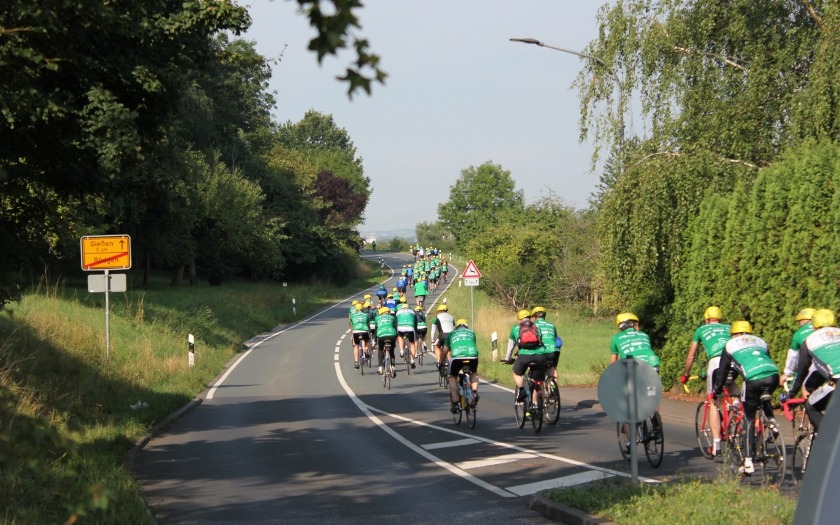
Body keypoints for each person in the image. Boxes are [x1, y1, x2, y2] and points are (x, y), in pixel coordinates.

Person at [714, 320, 780, 475]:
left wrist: (717, 390)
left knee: (749, 418)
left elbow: (723, 371)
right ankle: (772, 422)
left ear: (734, 334)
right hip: (773, 375)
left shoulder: (730, 345)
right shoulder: (760, 341)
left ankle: (748, 461)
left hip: (752, 378)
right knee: (763, 397)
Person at [680, 306, 732, 456]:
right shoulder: (729, 328)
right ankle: (737, 411)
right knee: (733, 391)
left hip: (716, 362)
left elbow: (691, 356)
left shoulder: (701, 330)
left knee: (713, 401)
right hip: (735, 359)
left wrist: (686, 374)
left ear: (706, 319)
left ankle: (716, 446)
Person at [610, 312, 661, 454]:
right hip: (652, 366)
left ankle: (631, 442)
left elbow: (613, 363)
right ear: (632, 324)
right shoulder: (645, 335)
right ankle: (655, 422)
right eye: (637, 324)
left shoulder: (616, 338)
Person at [788, 308, 840, 434]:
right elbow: (821, 371)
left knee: (811, 406)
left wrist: (791, 393)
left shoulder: (810, 340)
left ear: (813, 325)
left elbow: (801, 372)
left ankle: (827, 440)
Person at [503, 309, 547, 407]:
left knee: (516, 373)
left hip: (524, 356)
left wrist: (507, 358)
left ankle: (522, 390)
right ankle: (535, 404)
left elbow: (511, 346)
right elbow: (540, 341)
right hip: (539, 356)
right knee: (537, 381)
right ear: (530, 318)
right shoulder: (536, 326)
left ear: (519, 320)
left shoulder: (515, 328)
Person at [443, 318, 480, 413]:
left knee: (452, 377)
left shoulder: (452, 334)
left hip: (457, 357)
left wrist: (440, 361)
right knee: (474, 372)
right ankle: (474, 392)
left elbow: (445, 350)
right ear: (466, 326)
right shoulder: (471, 332)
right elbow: (473, 344)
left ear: (456, 327)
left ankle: (455, 404)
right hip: (472, 356)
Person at [781, 307, 816, 386]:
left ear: (804, 320)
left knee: (806, 387)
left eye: (799, 321)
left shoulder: (798, 334)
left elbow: (793, 355)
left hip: (817, 365)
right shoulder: (826, 328)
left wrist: (787, 374)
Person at [531, 306, 560, 383]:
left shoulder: (532, 326)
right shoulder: (552, 326)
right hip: (554, 352)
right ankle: (553, 386)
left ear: (534, 317)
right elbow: (555, 338)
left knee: (535, 370)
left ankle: (539, 388)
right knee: (553, 368)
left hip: (540, 353)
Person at [374, 306, 398, 376]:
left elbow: (376, 330)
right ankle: (393, 367)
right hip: (391, 335)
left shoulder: (377, 318)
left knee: (380, 350)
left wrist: (375, 340)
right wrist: (396, 338)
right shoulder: (392, 318)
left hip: (381, 336)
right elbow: (395, 328)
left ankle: (380, 368)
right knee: (392, 351)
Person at [430, 303, 455, 368]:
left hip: (442, 335)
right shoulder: (451, 317)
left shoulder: (437, 317)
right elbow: (453, 326)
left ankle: (439, 361)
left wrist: (432, 340)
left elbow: (433, 330)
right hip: (452, 335)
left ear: (439, 311)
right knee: (448, 349)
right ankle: (450, 364)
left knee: (437, 347)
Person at [395, 299, 418, 368]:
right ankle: (412, 360)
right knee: (412, 344)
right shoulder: (412, 312)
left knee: (400, 337)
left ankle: (401, 351)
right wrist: (415, 331)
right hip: (410, 328)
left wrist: (396, 333)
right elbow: (415, 323)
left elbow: (396, 323)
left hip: (401, 328)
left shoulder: (398, 312)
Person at [349, 304, 371, 369]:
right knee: (366, 341)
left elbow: (351, 326)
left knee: (356, 345)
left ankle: (356, 362)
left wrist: (352, 334)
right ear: (362, 309)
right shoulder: (366, 315)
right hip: (364, 330)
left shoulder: (353, 316)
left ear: (356, 309)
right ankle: (366, 350)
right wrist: (368, 332)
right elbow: (368, 325)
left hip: (356, 331)